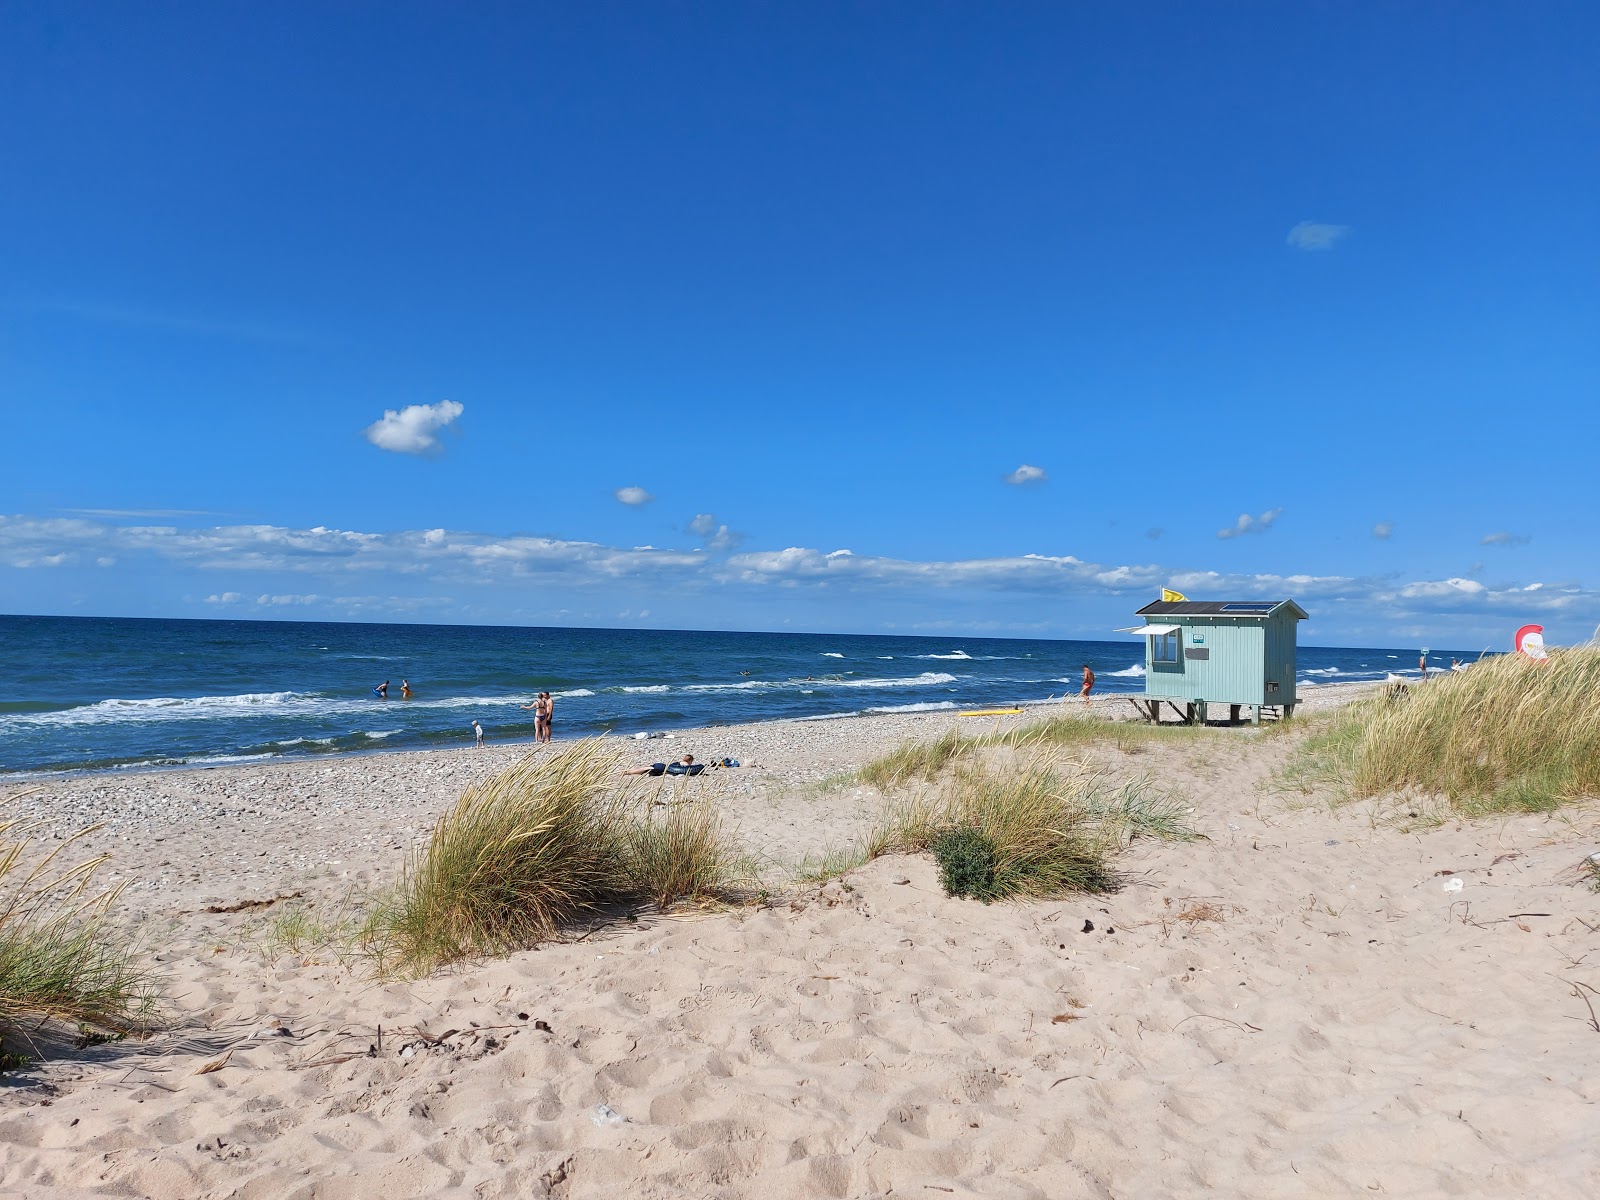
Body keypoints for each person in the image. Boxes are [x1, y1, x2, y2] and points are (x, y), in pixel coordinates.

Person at [624, 754, 703, 777]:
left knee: (645, 768)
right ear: (690, 760)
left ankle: (629, 771)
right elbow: (686, 770)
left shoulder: (679, 762)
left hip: (661, 765)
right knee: (646, 770)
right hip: (663, 768)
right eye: (691, 762)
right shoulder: (685, 764)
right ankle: (629, 773)